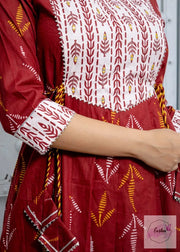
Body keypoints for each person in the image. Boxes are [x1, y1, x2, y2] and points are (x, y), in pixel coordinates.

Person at [0, 0, 180, 251]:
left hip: (152, 188)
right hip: (69, 185)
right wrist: (144, 145)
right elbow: (21, 108)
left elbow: (151, 92)